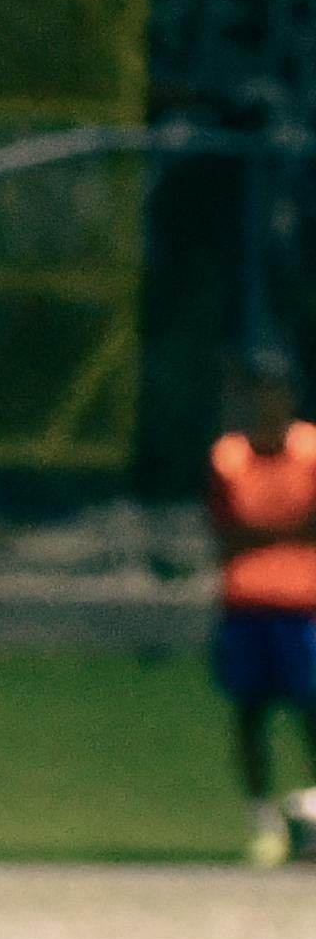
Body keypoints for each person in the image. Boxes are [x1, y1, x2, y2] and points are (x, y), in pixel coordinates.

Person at [207, 348, 316, 867]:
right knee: (250, 712)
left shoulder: (311, 451)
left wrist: (263, 534)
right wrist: (288, 530)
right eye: (258, 391)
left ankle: (313, 816)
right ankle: (265, 822)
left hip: (304, 602)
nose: (267, 401)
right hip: (246, 601)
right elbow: (225, 534)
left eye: (275, 390)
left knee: (310, 710)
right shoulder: (229, 456)